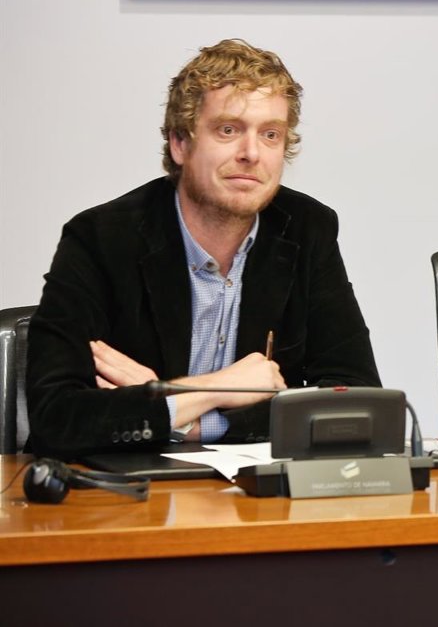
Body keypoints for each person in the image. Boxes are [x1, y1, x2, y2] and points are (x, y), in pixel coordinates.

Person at [26, 39, 381, 459]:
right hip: (123, 497)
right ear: (180, 143)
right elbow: (56, 417)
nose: (251, 154)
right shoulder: (101, 238)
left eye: (271, 135)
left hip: (256, 500)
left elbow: (357, 403)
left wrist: (179, 410)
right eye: (228, 130)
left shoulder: (306, 229)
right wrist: (221, 387)